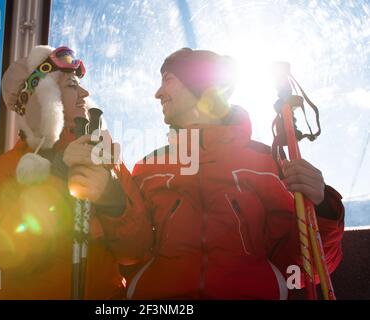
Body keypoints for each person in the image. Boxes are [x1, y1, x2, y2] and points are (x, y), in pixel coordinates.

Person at [63, 48, 344, 299]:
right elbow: (131, 250)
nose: (158, 93)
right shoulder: (149, 167)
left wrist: (322, 209)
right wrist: (110, 197)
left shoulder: (267, 163)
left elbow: (301, 270)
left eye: (168, 80)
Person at [0, 45, 152, 299]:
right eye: (71, 85)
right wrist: (57, 182)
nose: (85, 93)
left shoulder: (105, 159)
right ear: (43, 101)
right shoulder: (5, 170)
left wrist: (114, 200)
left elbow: (137, 251)